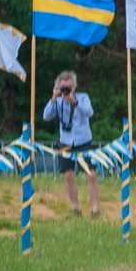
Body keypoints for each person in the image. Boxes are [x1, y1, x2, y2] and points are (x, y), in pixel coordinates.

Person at [42, 71, 97, 216]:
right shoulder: (58, 101)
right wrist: (53, 98)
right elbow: (46, 117)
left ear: (74, 87)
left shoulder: (83, 98)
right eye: (63, 88)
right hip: (65, 142)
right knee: (68, 176)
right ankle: (75, 208)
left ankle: (95, 208)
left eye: (69, 87)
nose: (66, 91)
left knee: (91, 174)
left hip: (83, 140)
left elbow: (90, 112)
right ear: (58, 88)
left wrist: (75, 102)